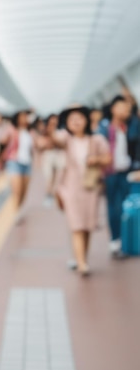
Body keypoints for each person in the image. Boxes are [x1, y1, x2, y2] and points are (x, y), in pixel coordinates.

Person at [54, 106, 111, 276]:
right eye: (71, 119)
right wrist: (50, 130)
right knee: (76, 225)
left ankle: (82, 258)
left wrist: (97, 159)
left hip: (90, 188)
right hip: (70, 188)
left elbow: (108, 158)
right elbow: (54, 141)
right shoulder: (66, 139)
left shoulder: (97, 140)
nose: (76, 122)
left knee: (87, 225)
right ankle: (81, 263)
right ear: (67, 124)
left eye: (79, 118)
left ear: (87, 119)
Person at [97, 95, 133, 257]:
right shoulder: (104, 128)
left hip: (127, 172)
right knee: (114, 207)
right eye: (122, 107)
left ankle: (127, 241)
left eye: (127, 108)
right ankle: (115, 241)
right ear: (113, 109)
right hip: (110, 173)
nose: (126, 111)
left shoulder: (131, 126)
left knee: (127, 207)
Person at [0, 109, 35, 220]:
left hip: (27, 163)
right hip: (14, 162)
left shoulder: (30, 132)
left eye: (26, 116)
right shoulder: (12, 129)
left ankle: (18, 209)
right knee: (17, 191)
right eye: (22, 116)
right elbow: (2, 141)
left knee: (24, 192)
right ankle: (15, 213)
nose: (25, 118)